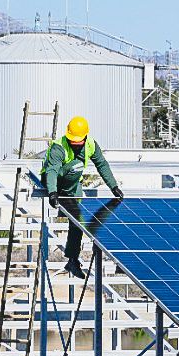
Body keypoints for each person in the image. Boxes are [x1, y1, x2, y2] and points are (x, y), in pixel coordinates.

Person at [42, 115, 123, 279]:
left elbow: (102, 164)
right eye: (73, 140)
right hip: (54, 180)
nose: (75, 143)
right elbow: (51, 171)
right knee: (76, 165)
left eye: (78, 140)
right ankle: (72, 259)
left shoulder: (91, 144)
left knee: (78, 219)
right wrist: (52, 192)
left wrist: (113, 186)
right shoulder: (60, 146)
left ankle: (72, 260)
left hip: (73, 184)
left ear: (85, 137)